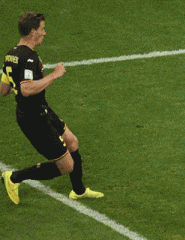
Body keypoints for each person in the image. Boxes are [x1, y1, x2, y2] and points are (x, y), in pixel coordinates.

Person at [1, 12, 104, 204]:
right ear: (33, 32)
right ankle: (13, 177)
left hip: (41, 110)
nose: (45, 33)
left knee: (72, 142)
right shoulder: (28, 57)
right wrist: (54, 75)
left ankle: (78, 191)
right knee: (66, 166)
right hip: (34, 119)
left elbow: (3, 90)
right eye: (42, 29)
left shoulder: (11, 54)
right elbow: (26, 89)